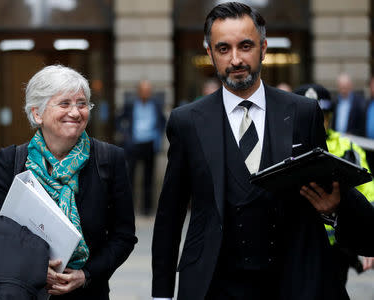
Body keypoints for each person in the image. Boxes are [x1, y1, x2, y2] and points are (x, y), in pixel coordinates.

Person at [151, 3, 370, 300]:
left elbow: (327, 184)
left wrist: (336, 211)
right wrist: (161, 294)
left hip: (290, 280)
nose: (236, 59)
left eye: (245, 46)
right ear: (210, 54)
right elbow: (170, 214)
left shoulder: (303, 112)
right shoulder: (186, 121)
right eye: (224, 48)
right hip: (215, 282)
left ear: (264, 48)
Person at [0, 65, 137, 299]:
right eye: (65, 103)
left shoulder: (110, 160)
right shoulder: (12, 160)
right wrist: (32, 268)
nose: (76, 112)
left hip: (87, 293)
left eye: (82, 103)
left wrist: (86, 275)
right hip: (22, 290)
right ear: (37, 114)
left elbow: (124, 236)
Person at [294, 83, 374, 283]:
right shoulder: (283, 147)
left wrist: (369, 234)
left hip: (338, 246)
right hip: (295, 246)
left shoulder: (348, 148)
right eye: (310, 116)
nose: (319, 122)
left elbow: (368, 193)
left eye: (323, 116)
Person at [116, 80, 166, 215]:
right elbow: (119, 119)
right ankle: (129, 208)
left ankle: (147, 209)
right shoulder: (131, 104)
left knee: (148, 178)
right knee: (130, 177)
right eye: (143, 90)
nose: (146, 93)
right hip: (133, 145)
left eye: (148, 90)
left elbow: (162, 120)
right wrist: (125, 135)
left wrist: (158, 135)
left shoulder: (156, 104)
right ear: (139, 91)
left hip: (149, 144)